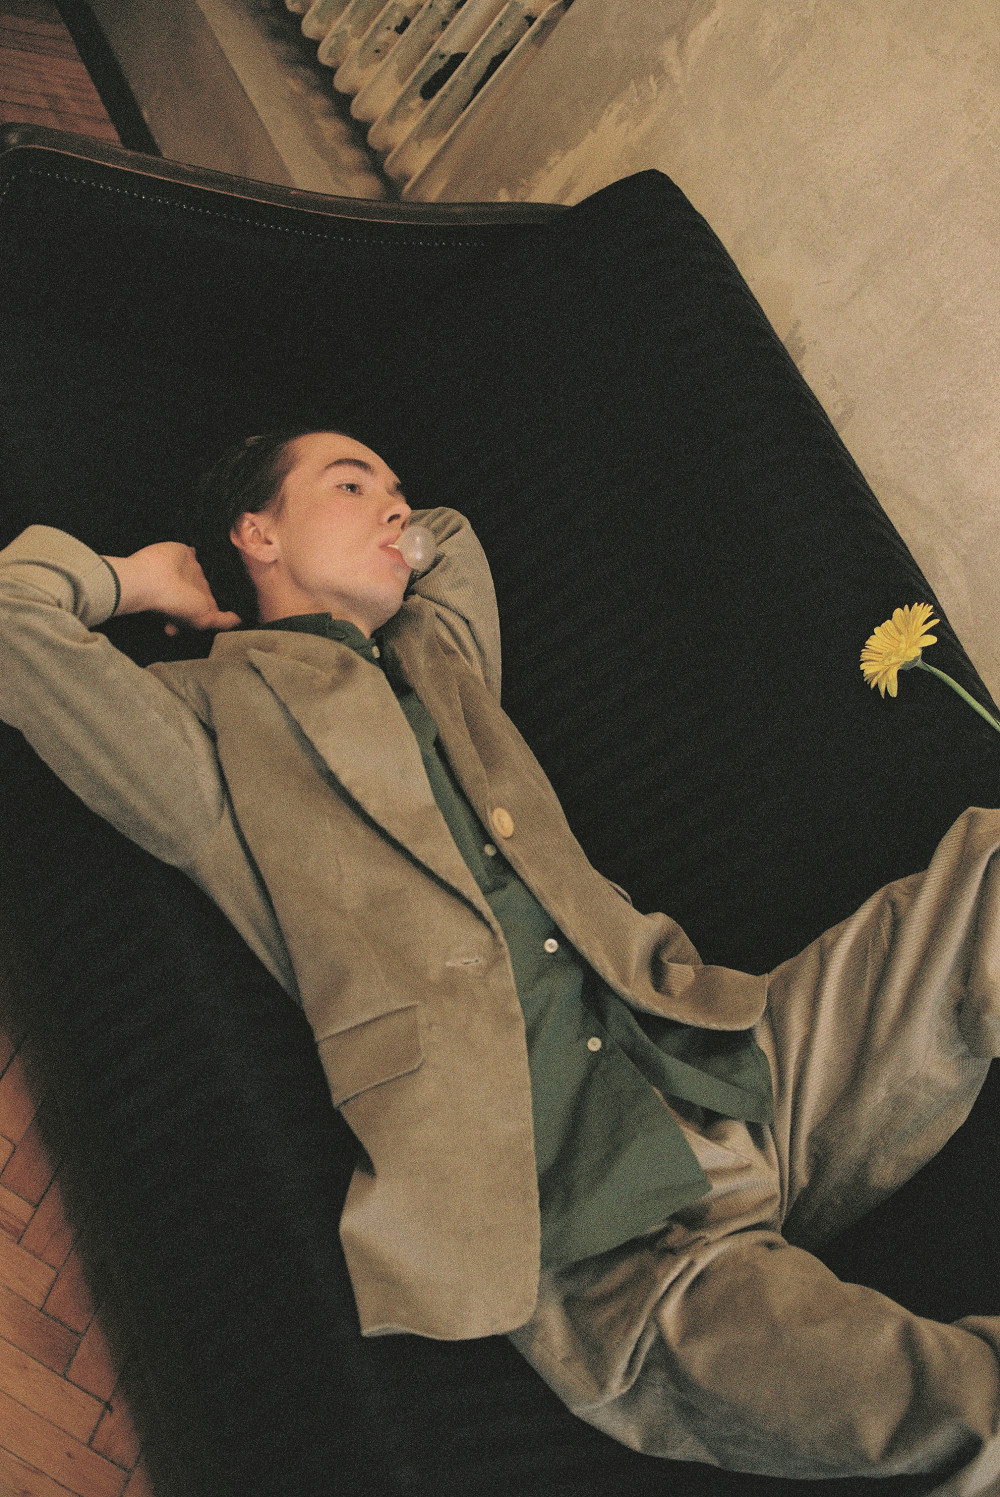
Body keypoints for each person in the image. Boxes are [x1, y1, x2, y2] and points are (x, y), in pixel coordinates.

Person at [3, 427, 1000, 1493]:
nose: (395, 504)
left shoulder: (440, 652)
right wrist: (139, 577)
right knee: (950, 1405)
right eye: (350, 483)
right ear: (258, 532)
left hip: (727, 1055)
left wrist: (380, 539)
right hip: (584, 1215)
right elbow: (15, 617)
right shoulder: (206, 733)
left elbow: (451, 533)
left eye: (393, 485)